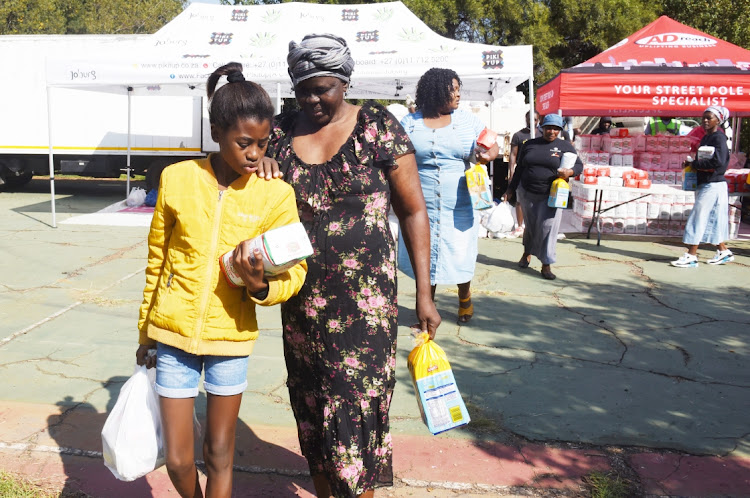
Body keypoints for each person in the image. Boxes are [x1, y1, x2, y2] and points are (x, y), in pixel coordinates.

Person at [265, 34, 441, 498]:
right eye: (302, 89)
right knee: (311, 397)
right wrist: (259, 169)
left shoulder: (379, 126)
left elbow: (413, 210)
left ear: (344, 81)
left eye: (322, 88)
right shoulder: (280, 134)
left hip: (365, 305)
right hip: (301, 299)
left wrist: (425, 291)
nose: (311, 99)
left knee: (357, 400)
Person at [135, 62, 307, 498]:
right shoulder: (177, 180)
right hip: (173, 335)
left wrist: (260, 287)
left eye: (263, 144)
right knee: (176, 458)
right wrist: (145, 331)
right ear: (216, 132)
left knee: (219, 453)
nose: (254, 153)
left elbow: (296, 269)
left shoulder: (275, 192)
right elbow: (157, 259)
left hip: (230, 339)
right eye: (243, 143)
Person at [396, 67, 499, 324]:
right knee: (424, 254)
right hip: (420, 203)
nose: (458, 95)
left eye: (458, 89)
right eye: (452, 90)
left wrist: (489, 154)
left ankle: (464, 296)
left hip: (460, 202)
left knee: (460, 251)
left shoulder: (468, 121)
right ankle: (427, 302)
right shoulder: (409, 123)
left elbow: (491, 142)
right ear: (436, 91)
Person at [506, 113, 583, 280]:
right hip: (527, 192)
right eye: (548, 128)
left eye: (556, 129)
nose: (552, 132)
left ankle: (546, 264)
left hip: (552, 195)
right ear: (542, 127)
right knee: (531, 226)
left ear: (560, 130)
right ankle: (527, 253)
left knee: (548, 228)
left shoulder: (565, 146)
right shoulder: (529, 144)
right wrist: (511, 188)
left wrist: (570, 172)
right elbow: (520, 168)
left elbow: (579, 165)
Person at [671, 105, 734, 268]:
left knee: (698, 217)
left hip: (713, 184)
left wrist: (696, 164)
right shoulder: (706, 138)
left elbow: (719, 162)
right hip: (706, 182)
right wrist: (692, 164)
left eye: (709, 118)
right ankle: (723, 251)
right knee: (712, 218)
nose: (705, 120)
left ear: (718, 120)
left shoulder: (719, 138)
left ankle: (691, 255)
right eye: (703, 117)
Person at [506, 110, 540, 237]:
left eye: (535, 119)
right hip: (522, 172)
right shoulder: (519, 135)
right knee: (520, 199)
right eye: (530, 119)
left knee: (537, 200)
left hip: (538, 173)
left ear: (538, 120)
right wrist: (511, 171)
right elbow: (513, 154)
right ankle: (520, 226)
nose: (532, 121)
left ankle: (534, 225)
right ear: (526, 119)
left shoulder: (542, 134)